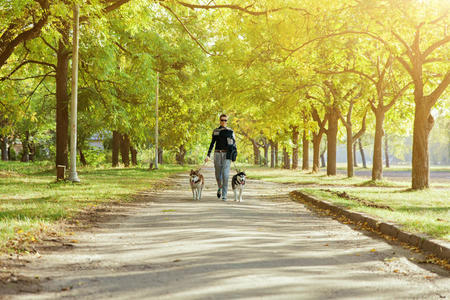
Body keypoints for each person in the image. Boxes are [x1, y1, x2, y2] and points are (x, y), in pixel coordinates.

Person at [205, 114, 237, 201]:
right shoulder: (216, 131)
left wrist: (234, 155)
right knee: (218, 175)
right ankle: (220, 187)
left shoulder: (231, 131)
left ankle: (224, 195)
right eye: (222, 120)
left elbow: (234, 145)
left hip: (227, 155)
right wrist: (208, 155)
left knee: (225, 175)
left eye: (225, 120)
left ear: (227, 121)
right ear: (220, 121)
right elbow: (212, 144)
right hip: (217, 154)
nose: (224, 122)